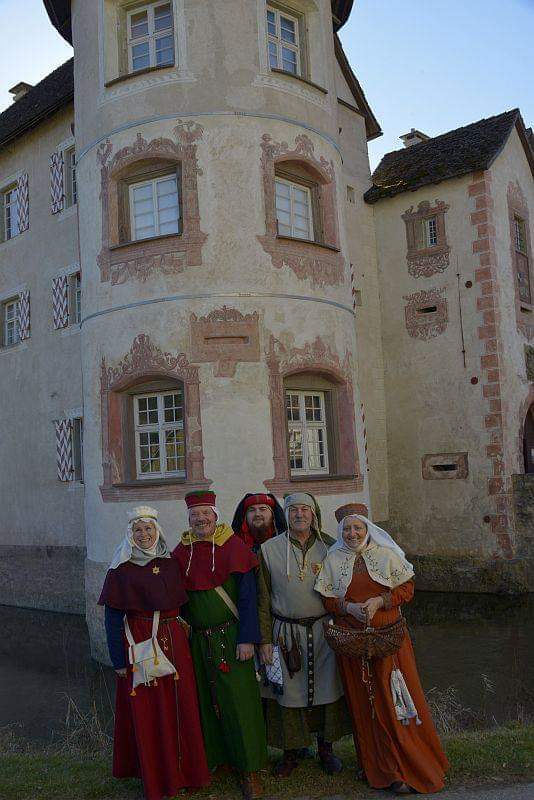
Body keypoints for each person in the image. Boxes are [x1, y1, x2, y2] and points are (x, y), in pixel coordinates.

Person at [315, 503, 448, 795]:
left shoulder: (386, 554)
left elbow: (407, 589)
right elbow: (327, 599)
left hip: (389, 642)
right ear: (341, 532)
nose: (352, 533)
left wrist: (380, 601)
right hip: (352, 645)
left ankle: (407, 767)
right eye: (347, 529)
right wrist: (347, 607)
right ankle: (375, 766)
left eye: (357, 528)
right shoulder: (333, 559)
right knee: (365, 704)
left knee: (395, 700)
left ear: (367, 529)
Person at [98, 506, 210, 800]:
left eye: (148, 529)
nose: (144, 535)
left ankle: (188, 773)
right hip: (141, 644)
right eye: (138, 530)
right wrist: (119, 661)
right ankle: (158, 779)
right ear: (130, 534)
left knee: (181, 707)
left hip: (176, 643)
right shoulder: (121, 570)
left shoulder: (170, 563)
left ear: (157, 531)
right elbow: (112, 619)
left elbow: (184, 604)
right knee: (150, 712)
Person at [172, 490, 268, 800]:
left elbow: (249, 597)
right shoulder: (181, 552)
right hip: (198, 640)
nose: (200, 519)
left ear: (215, 516)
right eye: (195, 515)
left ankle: (250, 769)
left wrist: (247, 638)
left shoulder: (234, 547)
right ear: (189, 519)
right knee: (206, 702)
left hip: (232, 637)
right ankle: (220, 759)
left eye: (205, 514)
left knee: (240, 703)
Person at [257, 492, 350, 777]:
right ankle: (291, 753)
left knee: (327, 689)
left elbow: (345, 589)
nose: (299, 514)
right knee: (289, 695)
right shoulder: (268, 549)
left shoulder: (331, 547)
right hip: (285, 633)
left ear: (314, 514)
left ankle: (326, 749)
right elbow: (262, 599)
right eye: (293, 510)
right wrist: (265, 641)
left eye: (305, 509)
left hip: (324, 632)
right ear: (286, 514)